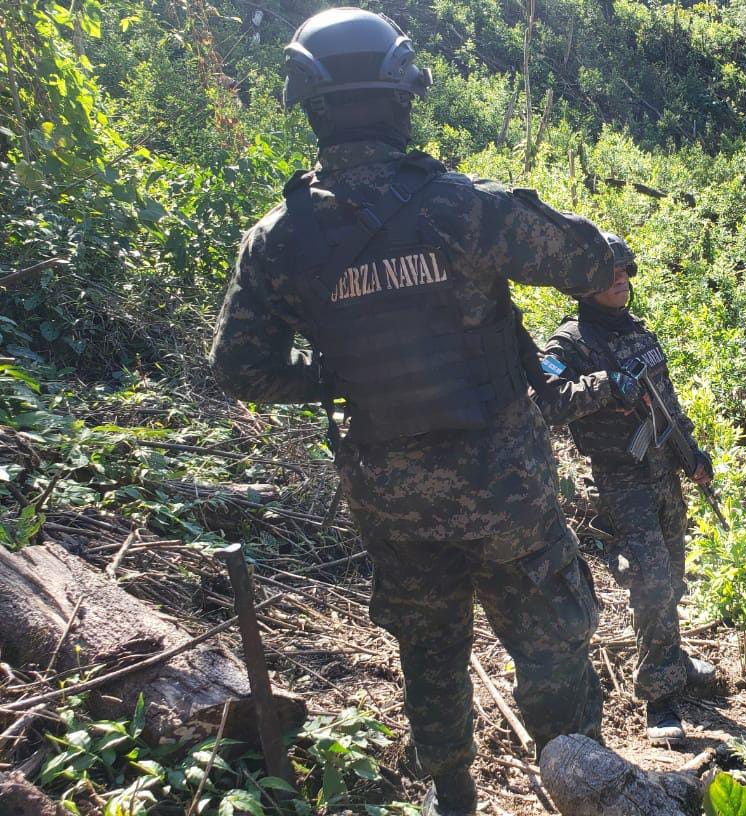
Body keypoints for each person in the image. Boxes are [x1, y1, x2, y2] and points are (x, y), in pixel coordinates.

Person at [207, 9, 613, 814]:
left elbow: (240, 370)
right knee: (550, 640)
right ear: (403, 92)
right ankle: (582, 782)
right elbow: (593, 260)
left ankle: (452, 795)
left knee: (429, 650)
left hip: (390, 497)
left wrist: (340, 377)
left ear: (308, 102)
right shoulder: (464, 207)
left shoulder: (279, 238)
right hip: (507, 490)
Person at [530, 232, 718, 746]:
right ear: (582, 283)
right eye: (608, 272)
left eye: (624, 270)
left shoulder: (637, 332)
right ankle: (658, 698)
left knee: (673, 574)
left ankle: (673, 658)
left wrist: (692, 454)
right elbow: (541, 402)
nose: (621, 279)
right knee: (650, 581)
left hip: (662, 470)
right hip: (620, 478)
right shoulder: (570, 343)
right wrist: (605, 385)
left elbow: (666, 404)